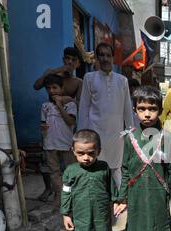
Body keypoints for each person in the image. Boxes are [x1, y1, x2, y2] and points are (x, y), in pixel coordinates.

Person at [116, 86, 171, 231]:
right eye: (142, 109)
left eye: (152, 108)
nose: (147, 113)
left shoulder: (166, 137)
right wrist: (121, 197)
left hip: (158, 195)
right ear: (135, 110)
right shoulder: (130, 137)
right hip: (136, 196)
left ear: (160, 110)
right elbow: (124, 168)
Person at [60, 129, 127, 231]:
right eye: (81, 153)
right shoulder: (71, 171)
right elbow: (66, 193)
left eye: (91, 153)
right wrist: (65, 214)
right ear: (73, 151)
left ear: (99, 151)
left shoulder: (104, 168)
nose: (86, 158)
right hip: (80, 215)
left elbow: (111, 187)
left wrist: (117, 200)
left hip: (102, 212)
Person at [78, 43, 134, 187]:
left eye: (108, 55)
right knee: (95, 167)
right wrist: (82, 135)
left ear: (113, 58)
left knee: (116, 168)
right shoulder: (89, 78)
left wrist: (130, 133)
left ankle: (119, 200)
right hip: (95, 131)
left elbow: (127, 109)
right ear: (97, 57)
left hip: (117, 134)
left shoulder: (122, 81)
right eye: (101, 55)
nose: (105, 58)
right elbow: (84, 107)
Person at [34, 47, 83, 202]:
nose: (69, 62)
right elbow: (36, 86)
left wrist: (68, 100)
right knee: (49, 164)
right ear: (63, 60)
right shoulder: (52, 76)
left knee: (70, 165)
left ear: (78, 64)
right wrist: (57, 70)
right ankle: (53, 191)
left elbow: (81, 104)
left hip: (66, 126)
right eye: (66, 58)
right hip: (50, 124)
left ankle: (69, 193)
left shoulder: (78, 82)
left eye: (73, 60)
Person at [40, 74, 77, 209]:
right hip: (50, 143)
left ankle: (72, 196)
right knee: (54, 172)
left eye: (55, 88)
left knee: (71, 170)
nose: (52, 91)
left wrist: (60, 105)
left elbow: (70, 121)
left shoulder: (70, 105)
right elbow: (43, 123)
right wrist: (42, 128)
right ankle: (59, 195)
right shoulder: (45, 106)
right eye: (48, 88)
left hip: (66, 143)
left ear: (62, 88)